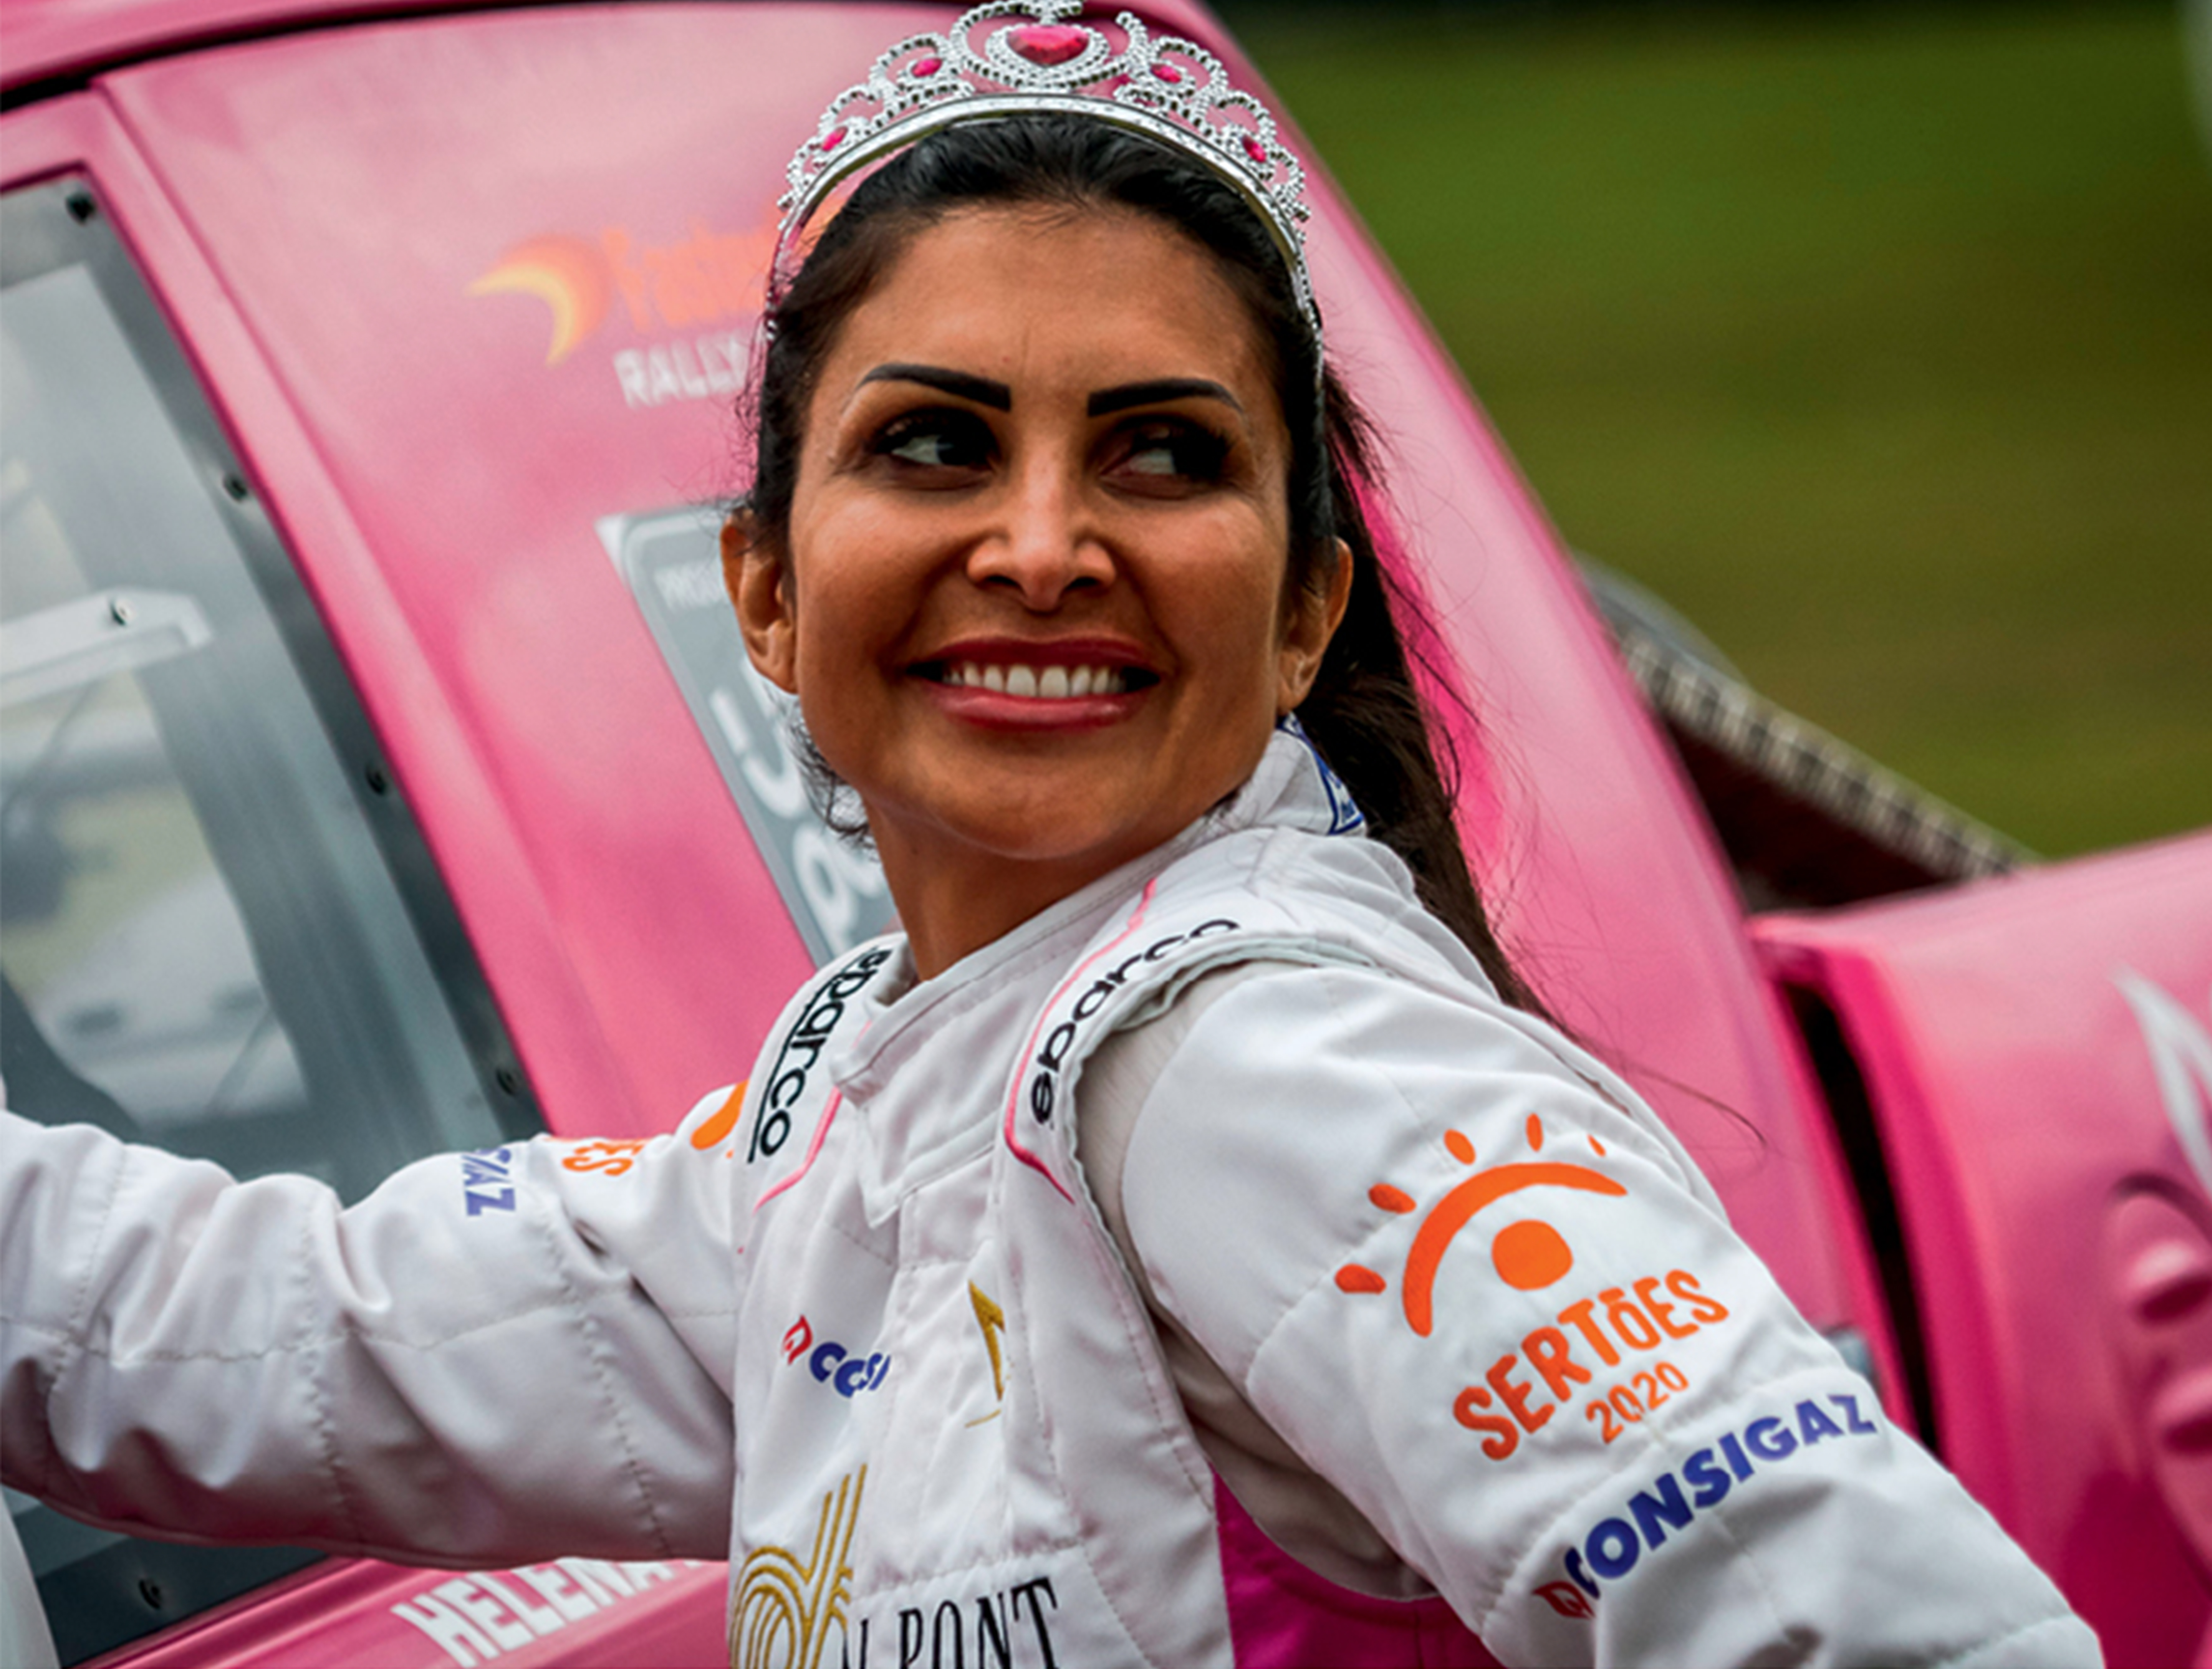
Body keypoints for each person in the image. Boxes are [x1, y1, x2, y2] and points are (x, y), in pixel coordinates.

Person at [0, 6, 2103, 1666]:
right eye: (932, 442)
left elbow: (1889, 1626)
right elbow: (307, 1332)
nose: (1036, 546)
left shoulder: (1268, 1069)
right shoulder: (877, 1094)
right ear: (764, 584)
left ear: (1298, 609)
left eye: (1160, 454)